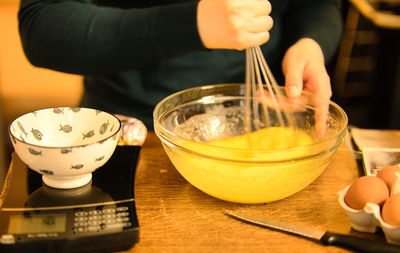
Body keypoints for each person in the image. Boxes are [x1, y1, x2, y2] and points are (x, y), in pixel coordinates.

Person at [18, 0, 342, 129]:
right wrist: (192, 24)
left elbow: (313, 3)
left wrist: (311, 41)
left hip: (265, 120)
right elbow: (42, 26)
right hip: (130, 130)